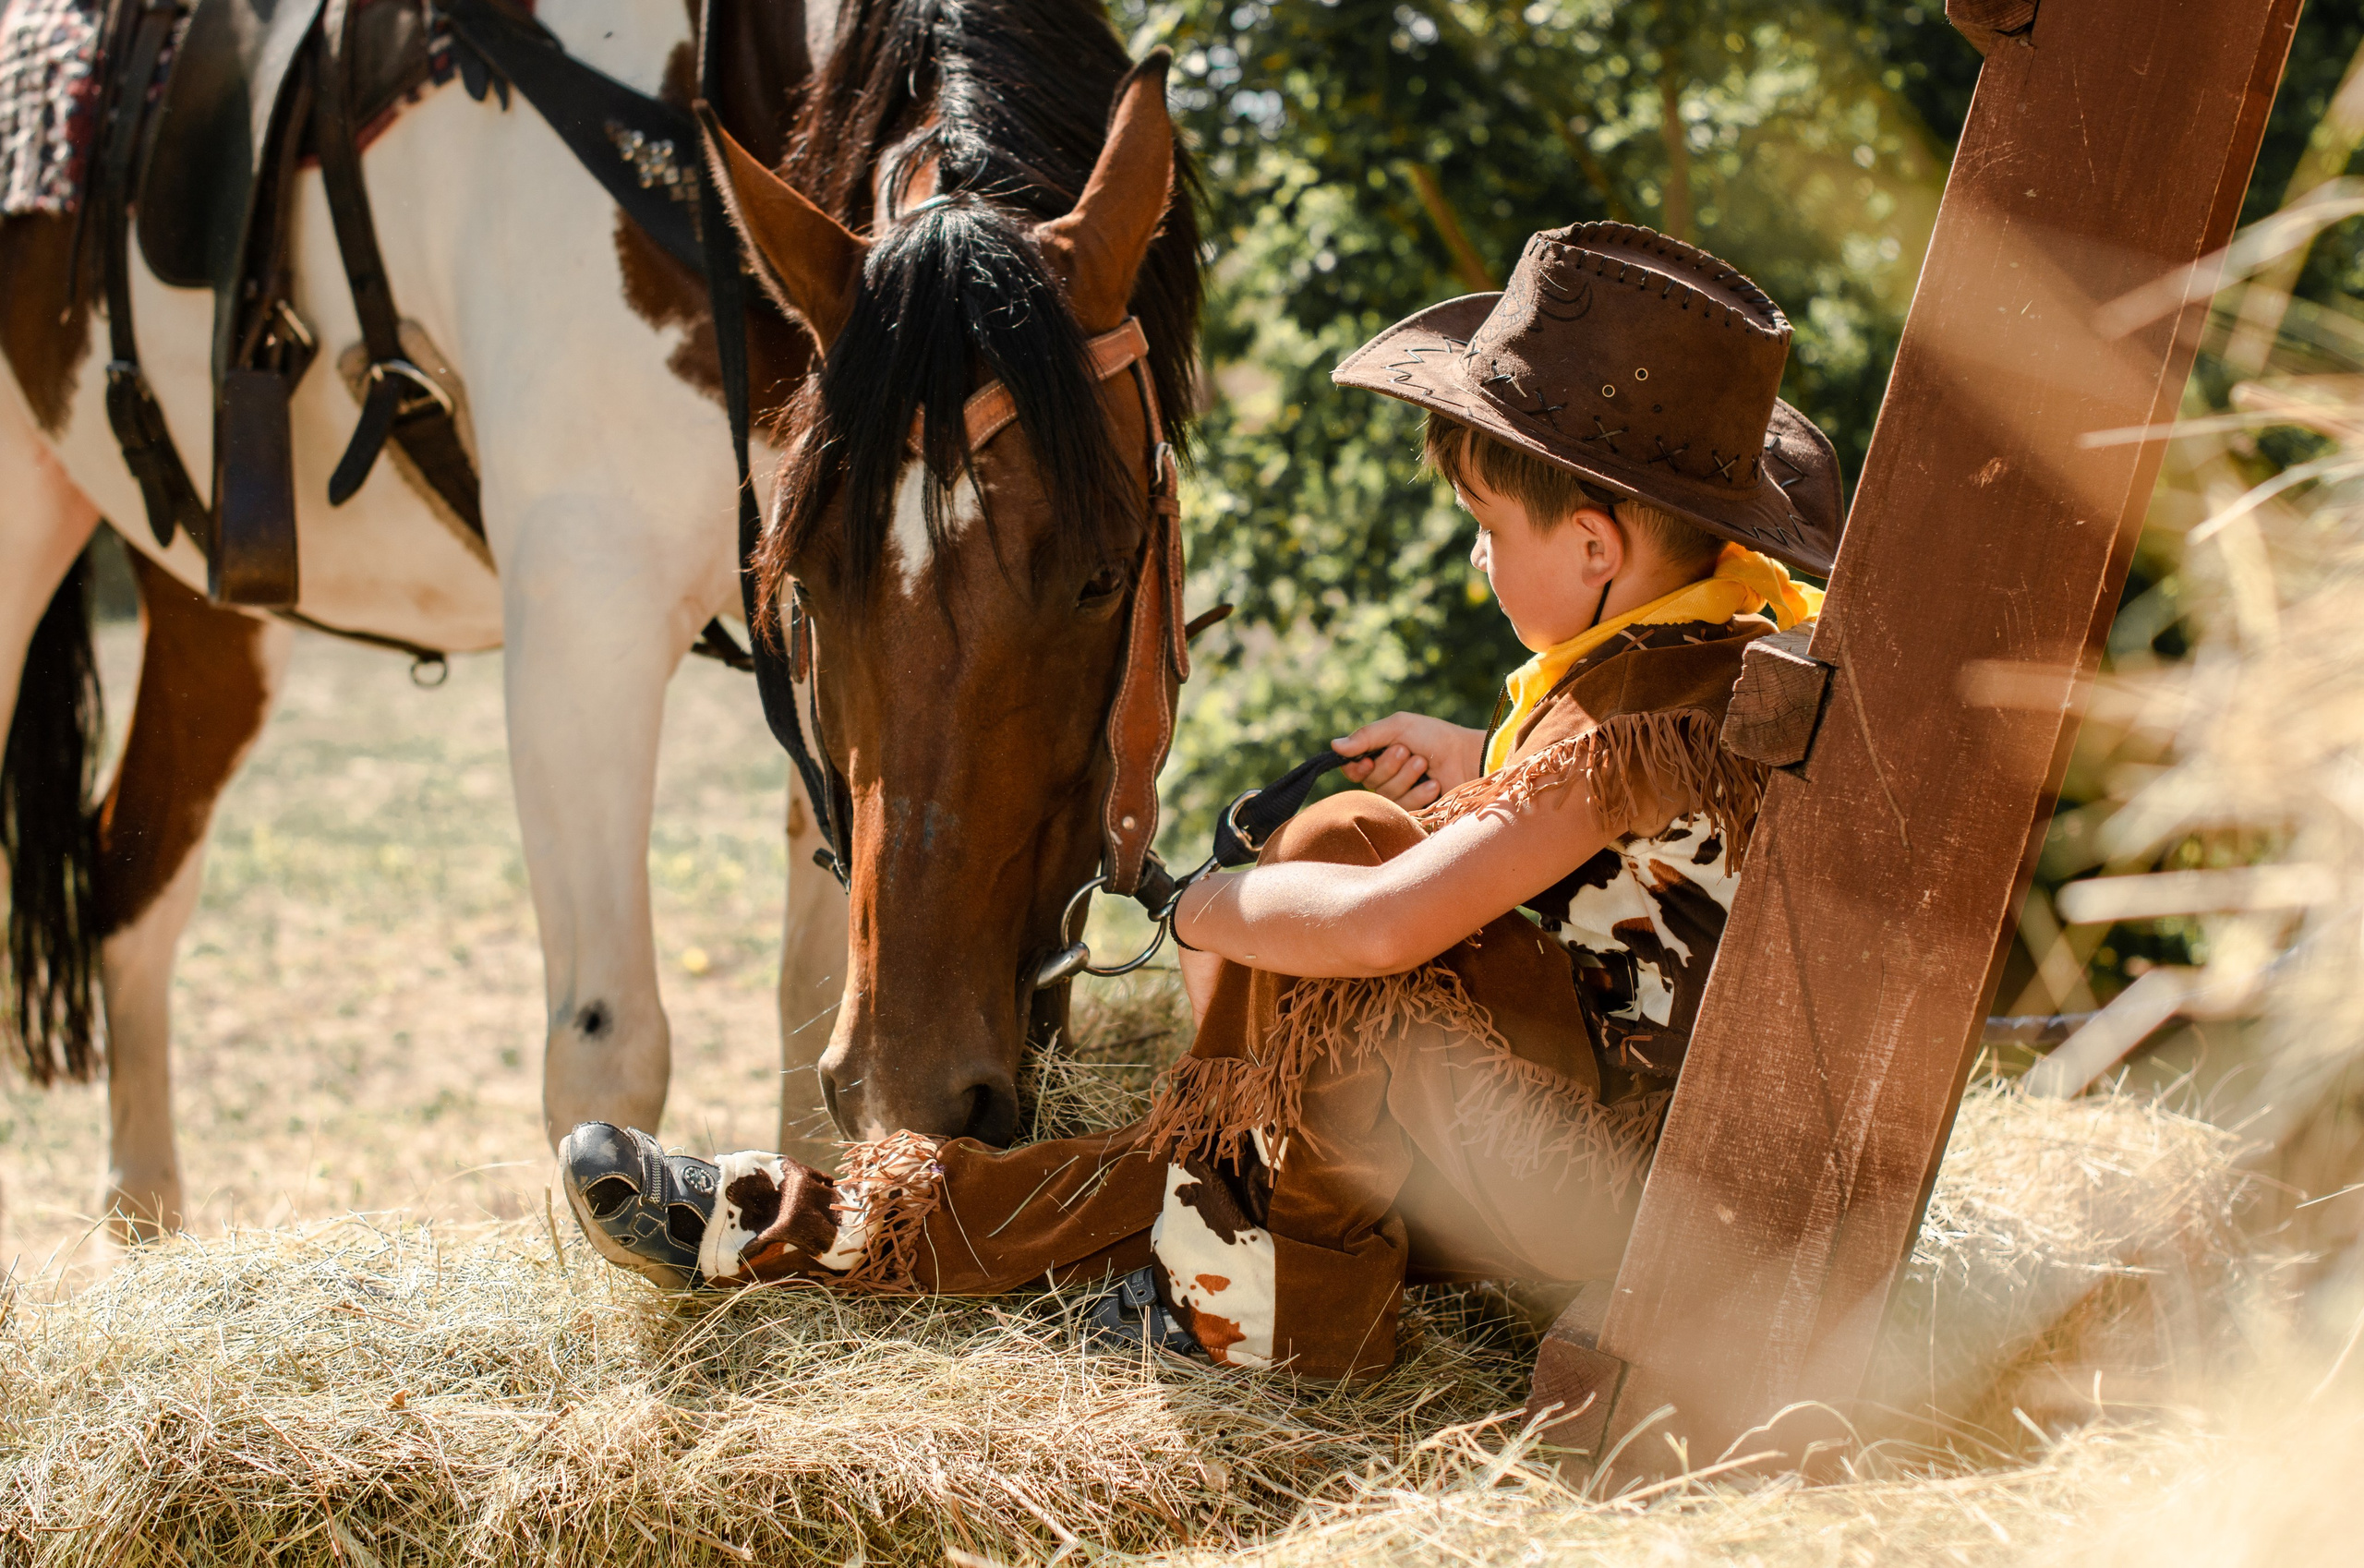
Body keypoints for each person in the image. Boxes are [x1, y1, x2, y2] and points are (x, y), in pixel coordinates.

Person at [559, 221, 1844, 1380]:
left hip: (1591, 1199)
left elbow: (1385, 929)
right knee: (1326, 887)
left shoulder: (1643, 722)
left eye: (1487, 529)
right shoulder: (1705, 658)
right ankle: (1194, 1246)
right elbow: (1625, 879)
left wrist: (1206, 902)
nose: (1474, 556)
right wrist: (1483, 764)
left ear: (1599, 547)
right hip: (1598, 1148)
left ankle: (831, 1225)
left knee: (1338, 901)